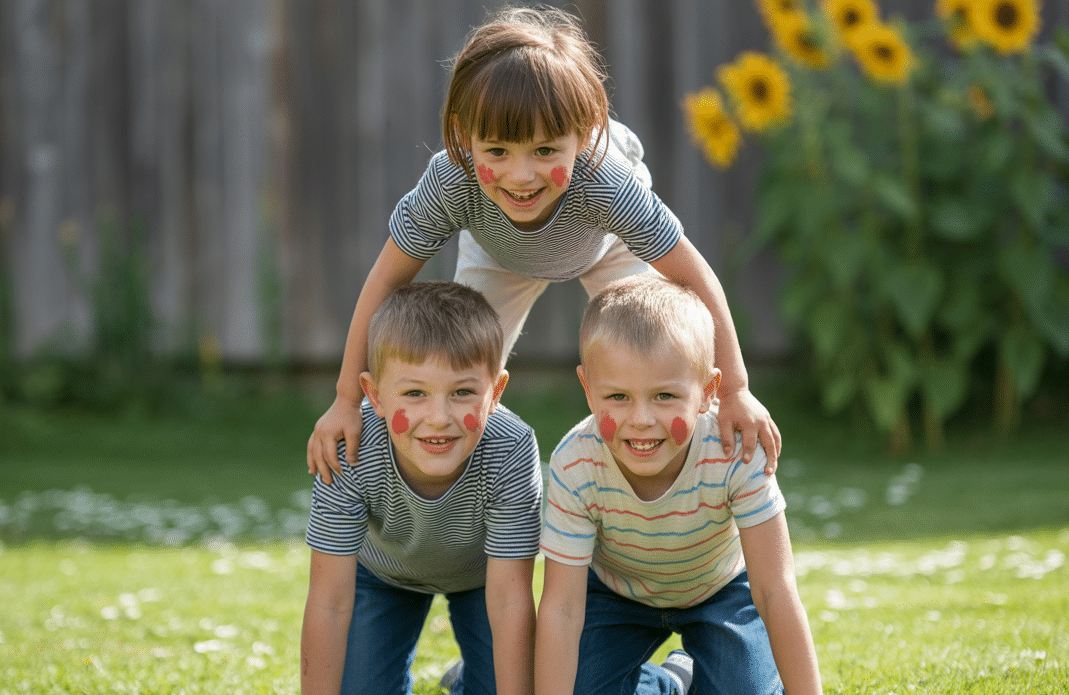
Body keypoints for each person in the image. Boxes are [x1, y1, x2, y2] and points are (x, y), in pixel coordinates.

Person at [306, 4, 781, 488]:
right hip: (495, 253)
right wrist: (346, 399)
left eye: (545, 151)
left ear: (582, 137)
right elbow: (385, 280)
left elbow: (694, 275)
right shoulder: (451, 182)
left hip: (608, 246)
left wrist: (738, 388)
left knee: (659, 358)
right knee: (453, 372)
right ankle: (451, 508)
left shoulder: (604, 183)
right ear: (465, 138)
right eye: (497, 152)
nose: (521, 175)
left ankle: (685, 502)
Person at [534, 276, 827, 695]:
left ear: (710, 390)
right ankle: (672, 677)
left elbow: (775, 588)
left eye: (665, 396)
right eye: (617, 397)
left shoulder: (735, 452)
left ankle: (751, 670)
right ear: (587, 388)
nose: (641, 420)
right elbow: (563, 608)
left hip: (717, 591)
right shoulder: (576, 462)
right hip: (616, 595)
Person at [299, 281, 542, 695]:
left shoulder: (511, 448)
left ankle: (473, 677)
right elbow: (329, 599)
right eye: (414, 394)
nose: (438, 417)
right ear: (372, 394)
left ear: (497, 390)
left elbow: (511, 597)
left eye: (462, 392)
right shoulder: (349, 448)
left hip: (482, 579)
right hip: (385, 575)